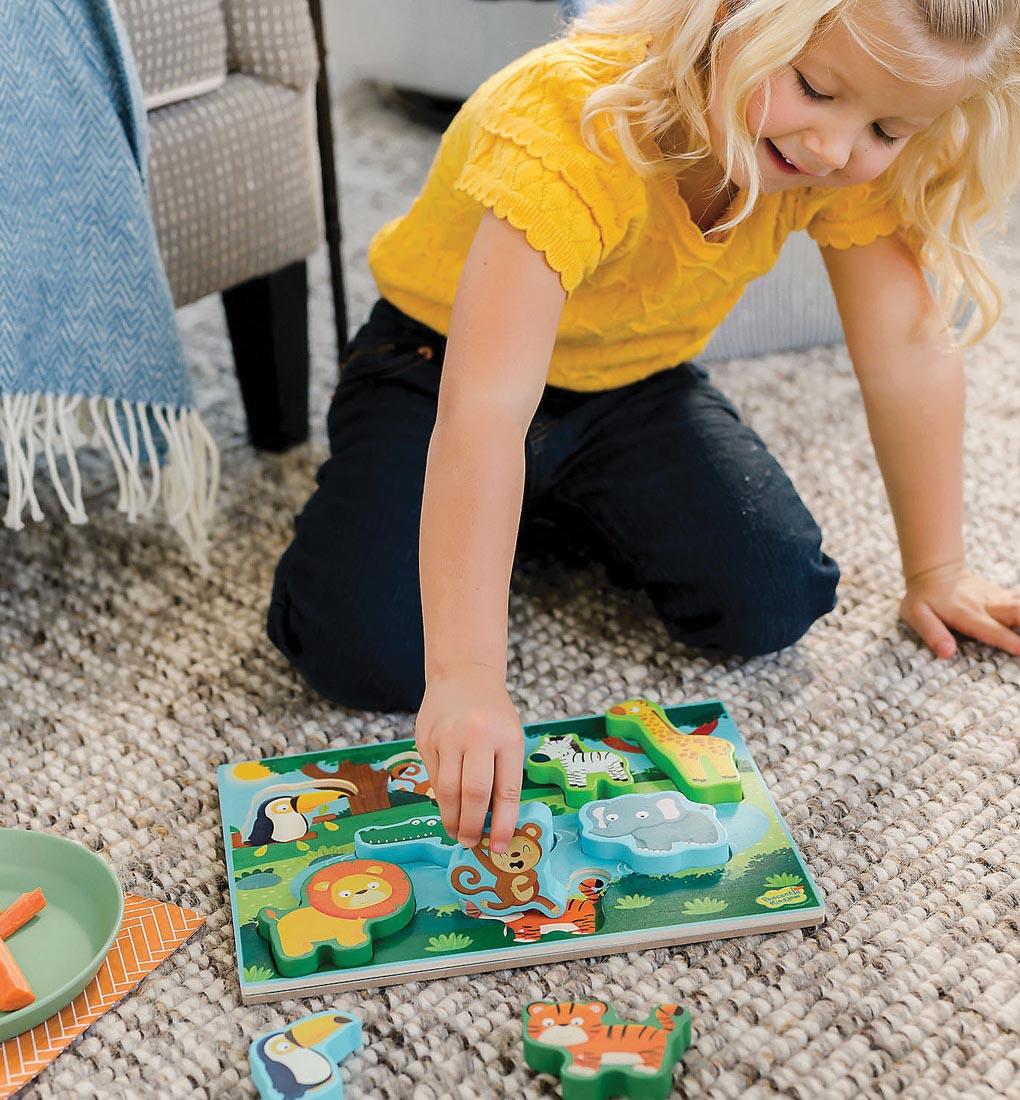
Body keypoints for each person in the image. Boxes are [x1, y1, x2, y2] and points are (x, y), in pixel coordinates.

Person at [268, 0, 1020, 855]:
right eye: (812, 88)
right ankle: (496, 524)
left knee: (772, 599)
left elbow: (908, 349)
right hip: (437, 369)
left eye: (888, 129)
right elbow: (484, 412)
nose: (834, 150)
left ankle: (526, 518)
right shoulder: (567, 120)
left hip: (630, 380)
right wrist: (469, 679)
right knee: (364, 655)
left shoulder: (834, 156)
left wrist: (939, 568)